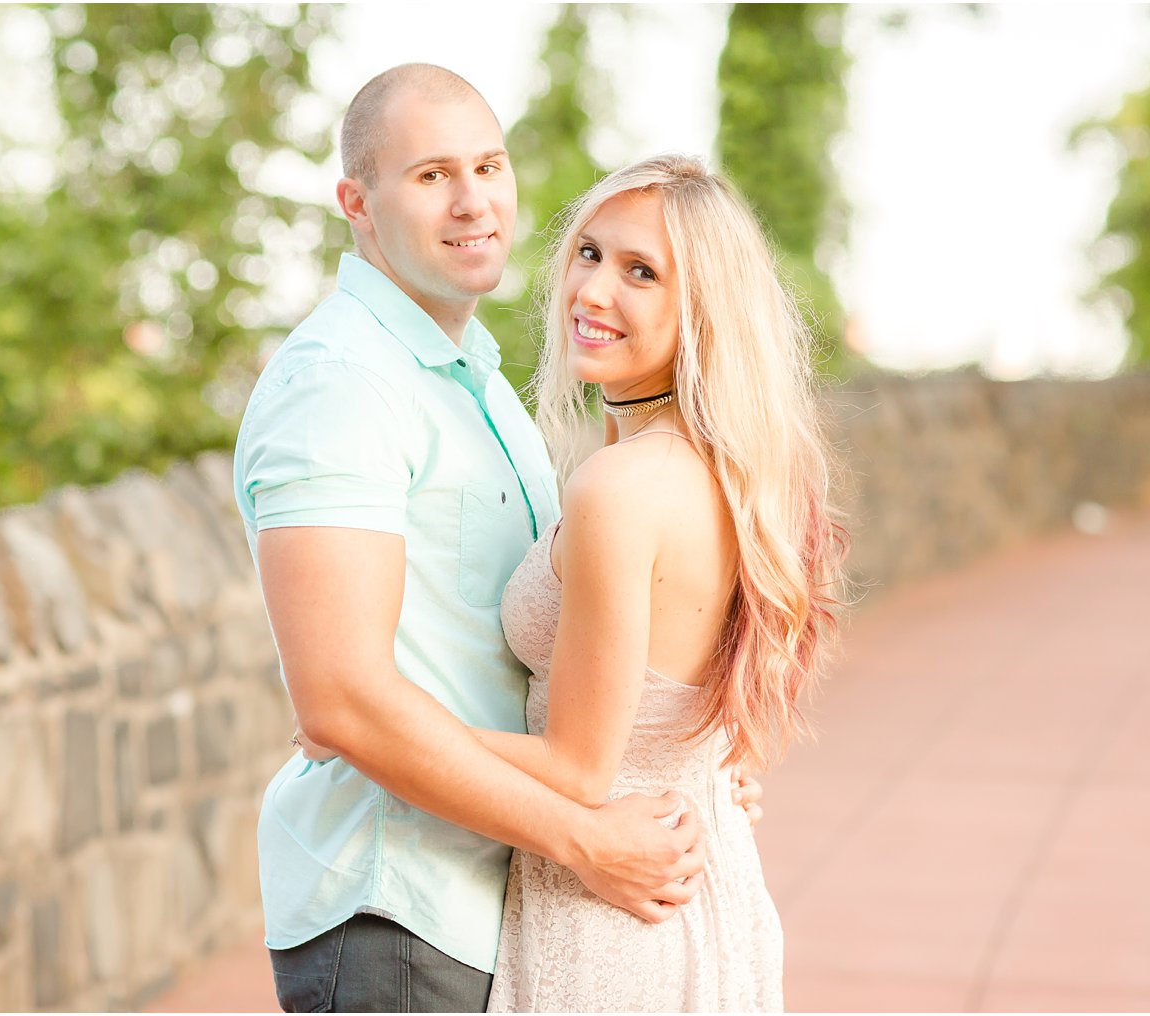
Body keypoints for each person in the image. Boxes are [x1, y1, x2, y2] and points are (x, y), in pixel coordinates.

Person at [233, 66, 761, 1014]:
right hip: (401, 908)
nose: (474, 200)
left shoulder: (476, 384)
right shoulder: (342, 387)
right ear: (357, 202)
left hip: (512, 896)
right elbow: (342, 702)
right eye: (432, 175)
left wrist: (680, 770)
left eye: (489, 164)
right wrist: (587, 834)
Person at [460, 155, 848, 1011]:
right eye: (590, 254)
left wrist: (383, 723)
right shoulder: (732, 474)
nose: (593, 292)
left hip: (614, 924)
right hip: (713, 900)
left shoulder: (621, 488)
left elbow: (577, 770)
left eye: (642, 273)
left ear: (702, 310)